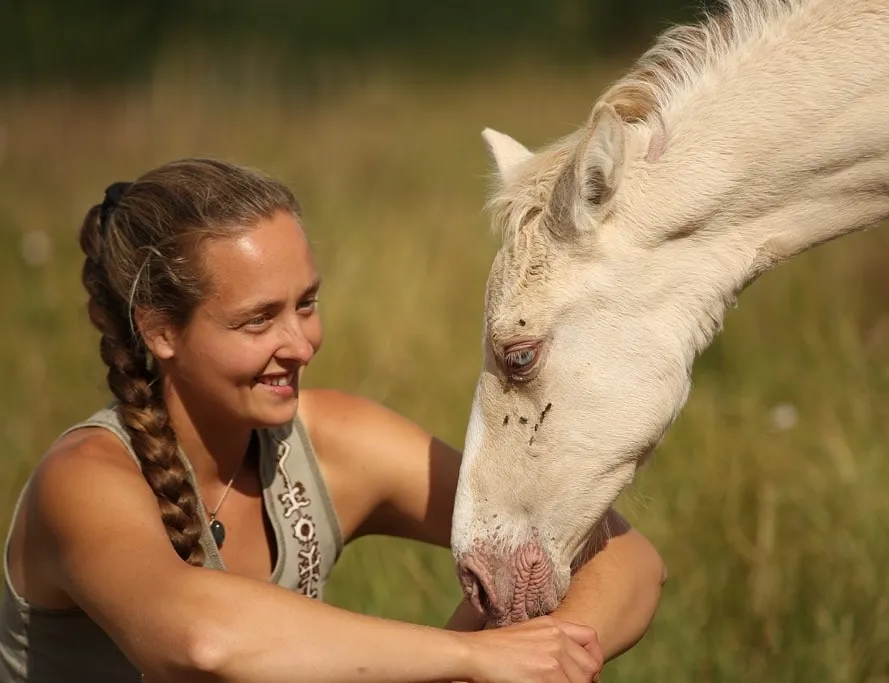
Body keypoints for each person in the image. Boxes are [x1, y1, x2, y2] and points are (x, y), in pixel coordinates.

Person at [0, 158, 666, 683]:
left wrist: (544, 655)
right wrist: (473, 658)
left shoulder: (333, 438)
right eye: (258, 319)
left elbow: (627, 558)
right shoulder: (84, 480)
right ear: (161, 330)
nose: (301, 342)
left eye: (307, 302)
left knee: (522, 595)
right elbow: (201, 641)